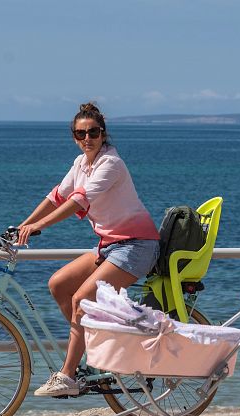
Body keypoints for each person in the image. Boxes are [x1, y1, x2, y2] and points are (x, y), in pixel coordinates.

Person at [17, 102, 160, 397]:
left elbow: (79, 201)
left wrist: (40, 226)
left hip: (136, 246)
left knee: (81, 299)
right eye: (81, 133)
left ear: (103, 134)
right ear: (74, 136)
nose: (87, 138)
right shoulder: (80, 164)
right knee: (59, 285)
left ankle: (68, 374)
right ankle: (96, 348)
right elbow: (58, 195)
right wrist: (23, 224)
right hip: (110, 245)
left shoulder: (111, 164)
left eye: (93, 132)